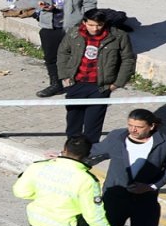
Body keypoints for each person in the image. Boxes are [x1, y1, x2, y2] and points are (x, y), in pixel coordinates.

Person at [58, 9, 136, 145]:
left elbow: (128, 60)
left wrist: (117, 84)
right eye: (91, 25)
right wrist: (65, 76)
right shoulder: (74, 33)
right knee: (73, 120)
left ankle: (90, 150)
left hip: (100, 87)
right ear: (84, 22)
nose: (95, 29)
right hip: (76, 83)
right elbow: (63, 53)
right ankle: (72, 148)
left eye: (99, 25)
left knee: (93, 122)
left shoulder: (118, 36)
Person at [32, 0, 97, 98]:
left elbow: (90, 5)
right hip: (50, 26)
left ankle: (78, 85)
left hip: (73, 27)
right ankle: (56, 84)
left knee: (75, 57)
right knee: (51, 58)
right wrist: (41, 5)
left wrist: (85, 23)